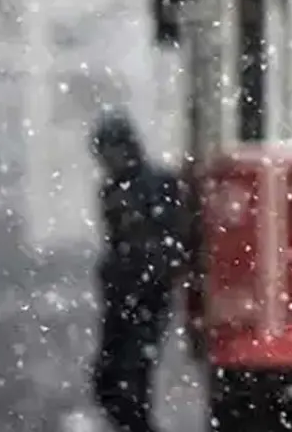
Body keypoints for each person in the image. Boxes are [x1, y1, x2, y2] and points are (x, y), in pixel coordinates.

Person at [89, 110, 185, 432]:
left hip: (144, 295)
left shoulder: (155, 185)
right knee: (110, 382)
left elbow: (169, 242)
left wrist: (148, 274)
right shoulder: (114, 189)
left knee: (128, 382)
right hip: (124, 296)